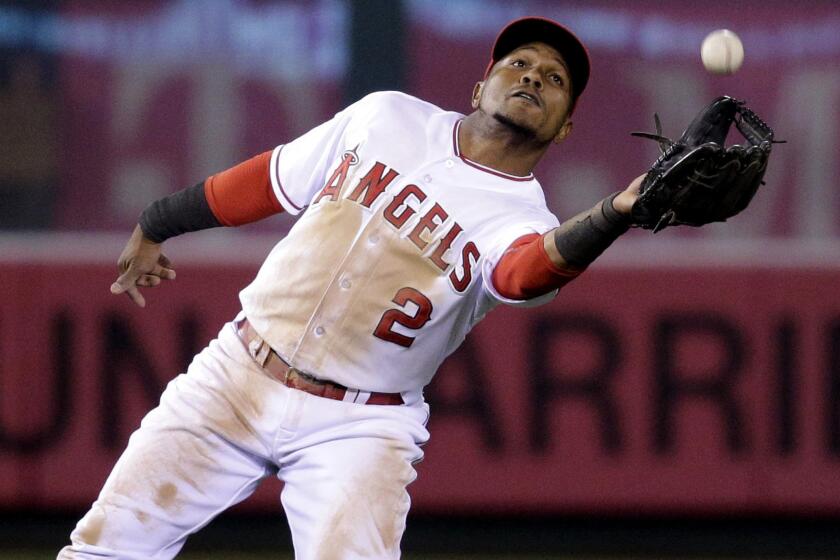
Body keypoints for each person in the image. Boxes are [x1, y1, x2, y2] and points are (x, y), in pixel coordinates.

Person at [59, 16, 644, 559]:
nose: (532, 78)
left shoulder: (527, 221)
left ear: (565, 126)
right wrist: (160, 219)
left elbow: (524, 274)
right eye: (518, 64)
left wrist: (616, 212)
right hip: (237, 373)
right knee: (102, 550)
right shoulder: (386, 116)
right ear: (479, 87)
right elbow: (268, 181)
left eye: (554, 79)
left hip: (360, 426)